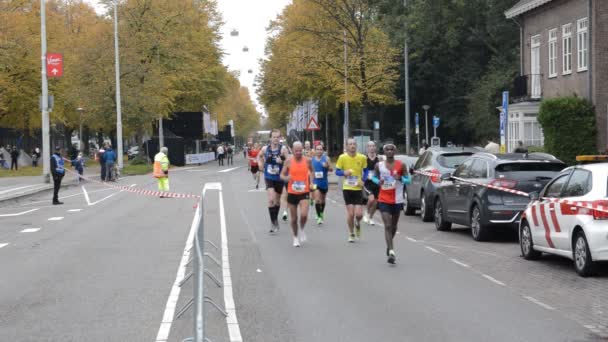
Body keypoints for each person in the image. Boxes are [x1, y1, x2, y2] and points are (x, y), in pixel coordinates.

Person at [372, 144, 411, 264]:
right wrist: (379, 181)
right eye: (387, 149)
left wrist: (400, 178)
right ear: (384, 152)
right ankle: (392, 252)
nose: (389, 151)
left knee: (394, 226)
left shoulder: (401, 165)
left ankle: (389, 246)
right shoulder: (379, 165)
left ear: (395, 151)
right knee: (387, 225)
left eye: (391, 149)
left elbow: (408, 180)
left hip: (397, 199)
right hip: (383, 199)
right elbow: (374, 178)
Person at [280, 141, 315, 247]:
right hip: (292, 192)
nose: (299, 153)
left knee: (304, 215)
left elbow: (312, 171)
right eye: (296, 151)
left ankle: (302, 229)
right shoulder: (288, 161)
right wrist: (286, 178)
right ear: (292, 150)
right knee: (294, 218)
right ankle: (295, 237)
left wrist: (312, 182)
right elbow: (282, 174)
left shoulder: (308, 160)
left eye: (300, 150)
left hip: (304, 191)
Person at [335, 138, 368, 243]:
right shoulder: (342, 157)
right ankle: (351, 233)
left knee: (359, 214)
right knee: (350, 214)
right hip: (347, 188)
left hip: (358, 188)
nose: (352, 146)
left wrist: (363, 180)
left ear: (356, 146)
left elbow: (366, 171)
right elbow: (337, 171)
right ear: (346, 146)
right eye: (350, 144)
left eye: (354, 144)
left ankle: (357, 223)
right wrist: (344, 173)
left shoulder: (362, 157)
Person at [258, 129, 289, 233]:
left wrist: (283, 161)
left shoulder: (283, 149)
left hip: (279, 178)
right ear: (270, 138)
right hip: (269, 177)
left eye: (277, 137)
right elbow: (259, 156)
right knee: (271, 199)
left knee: (277, 200)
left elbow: (288, 161)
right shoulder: (265, 148)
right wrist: (260, 164)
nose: (276, 139)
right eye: (274, 137)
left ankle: (275, 219)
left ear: (280, 138)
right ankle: (273, 222)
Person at [311, 142, 332, 225]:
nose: (319, 151)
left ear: (323, 150)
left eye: (321, 149)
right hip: (316, 182)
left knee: (323, 200)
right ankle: (319, 217)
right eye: (317, 149)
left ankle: (321, 213)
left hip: (324, 182)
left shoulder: (326, 159)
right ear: (315, 150)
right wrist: (311, 182)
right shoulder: (312, 159)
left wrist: (326, 166)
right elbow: (310, 171)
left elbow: (331, 169)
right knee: (317, 199)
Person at [363, 141, 380, 226]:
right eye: (370, 146)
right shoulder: (364, 159)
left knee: (376, 203)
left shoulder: (379, 159)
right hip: (367, 183)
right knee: (371, 199)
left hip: (376, 183)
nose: (372, 147)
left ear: (375, 147)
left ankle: (370, 217)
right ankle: (366, 212)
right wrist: (365, 176)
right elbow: (361, 170)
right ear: (367, 148)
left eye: (373, 146)